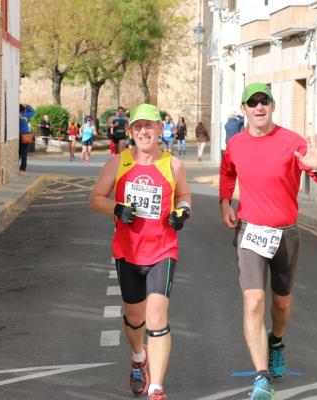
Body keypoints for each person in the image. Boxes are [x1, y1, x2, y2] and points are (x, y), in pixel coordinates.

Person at [219, 83, 317, 400]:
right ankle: (261, 377)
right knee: (254, 301)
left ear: (272, 106)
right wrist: (224, 202)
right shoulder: (236, 144)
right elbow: (227, 171)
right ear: (243, 109)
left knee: (281, 302)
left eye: (265, 101)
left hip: (285, 233)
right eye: (252, 102)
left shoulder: (293, 142)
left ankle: (277, 341)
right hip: (250, 232)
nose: (259, 107)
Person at [90, 104, 191, 400]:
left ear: (160, 129)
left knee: (157, 316)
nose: (144, 131)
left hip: (163, 249)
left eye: (149, 126)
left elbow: (184, 196)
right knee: (135, 318)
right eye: (138, 127)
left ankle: (157, 388)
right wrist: (116, 208)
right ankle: (138, 356)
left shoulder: (173, 165)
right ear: (131, 131)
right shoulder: (117, 163)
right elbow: (96, 199)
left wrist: (182, 213)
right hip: (128, 251)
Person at [19, 104, 35, 174]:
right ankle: (22, 170)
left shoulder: (16, 115)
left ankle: (15, 168)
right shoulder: (25, 115)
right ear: (24, 109)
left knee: (18, 153)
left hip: (18, 135)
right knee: (24, 154)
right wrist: (27, 106)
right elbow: (33, 112)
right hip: (26, 135)